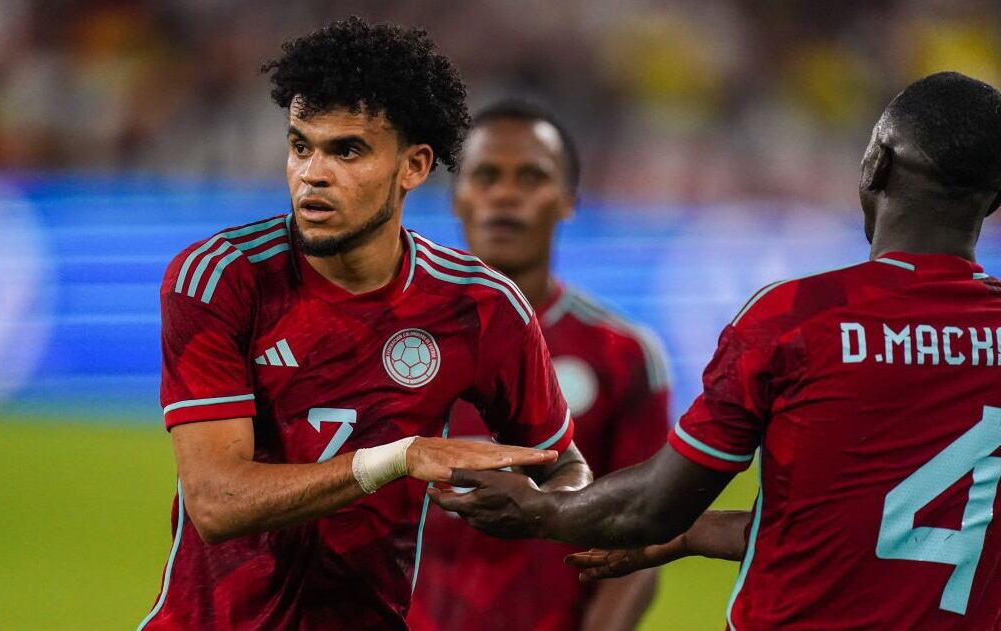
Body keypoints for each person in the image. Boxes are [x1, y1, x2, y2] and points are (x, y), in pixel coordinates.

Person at [432, 71, 1001, 630]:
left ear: (875, 166)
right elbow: (873, 525)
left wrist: (537, 510)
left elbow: (653, 503)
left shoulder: (799, 318)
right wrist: (696, 532)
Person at [138, 18, 591, 631]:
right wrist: (397, 459)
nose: (312, 175)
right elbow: (216, 502)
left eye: (346, 151)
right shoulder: (221, 280)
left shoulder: (481, 307)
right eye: (301, 146)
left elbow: (562, 465)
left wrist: (542, 511)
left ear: (415, 166)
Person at [408, 101, 671, 631]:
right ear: (457, 197)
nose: (505, 194)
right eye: (486, 176)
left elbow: (641, 531)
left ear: (569, 200)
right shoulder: (388, 341)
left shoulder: (622, 354)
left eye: (531, 177)